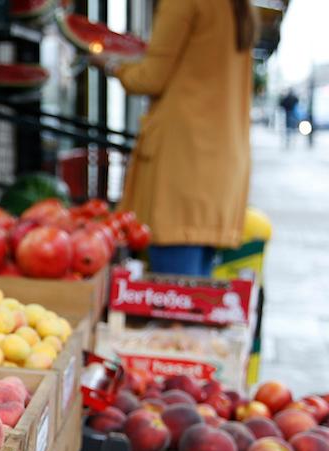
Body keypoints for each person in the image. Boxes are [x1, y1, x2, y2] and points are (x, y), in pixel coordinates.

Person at [91, 0, 256, 277]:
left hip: (184, 162)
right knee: (195, 297)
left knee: (173, 301)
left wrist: (110, 63)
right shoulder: (235, 6)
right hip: (221, 163)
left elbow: (150, 78)